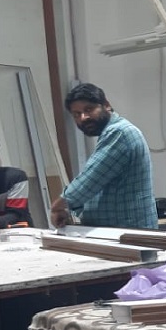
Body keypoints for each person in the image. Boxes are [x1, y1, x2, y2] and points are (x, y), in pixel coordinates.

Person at [50, 83, 158, 229]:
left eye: (88, 109)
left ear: (106, 105)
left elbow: (90, 181)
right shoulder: (112, 133)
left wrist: (58, 206)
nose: (83, 118)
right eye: (76, 114)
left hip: (128, 234)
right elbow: (97, 187)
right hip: (116, 232)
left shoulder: (119, 133)